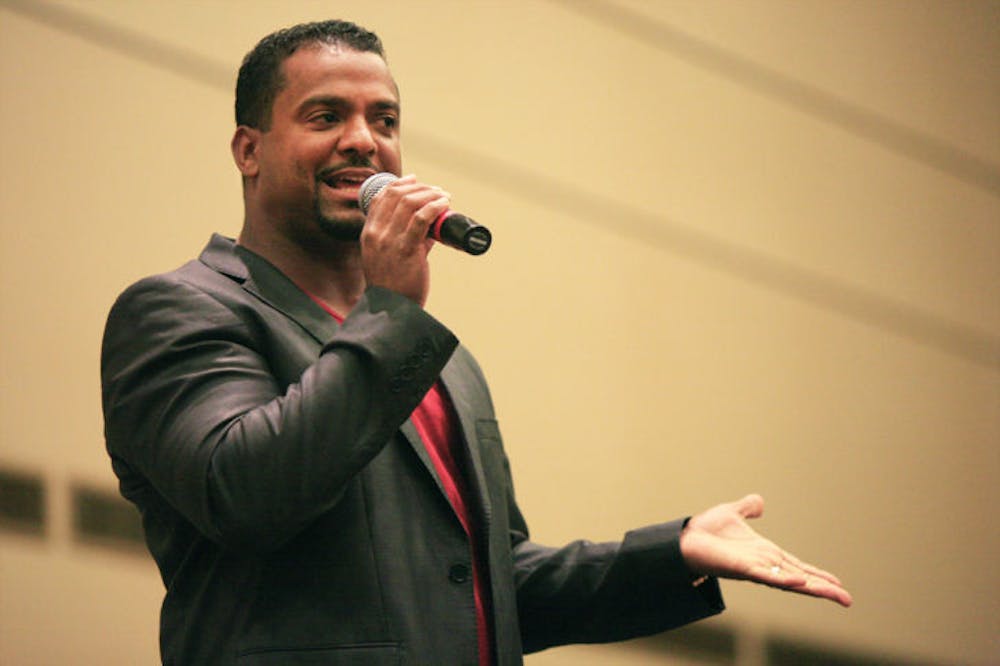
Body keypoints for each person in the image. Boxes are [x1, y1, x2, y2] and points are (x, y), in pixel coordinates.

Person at [101, 19, 851, 666]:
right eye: (325, 115)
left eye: (384, 121)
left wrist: (673, 551)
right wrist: (392, 310)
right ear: (248, 149)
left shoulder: (441, 363)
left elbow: (488, 585)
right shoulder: (180, 311)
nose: (363, 140)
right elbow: (249, 494)